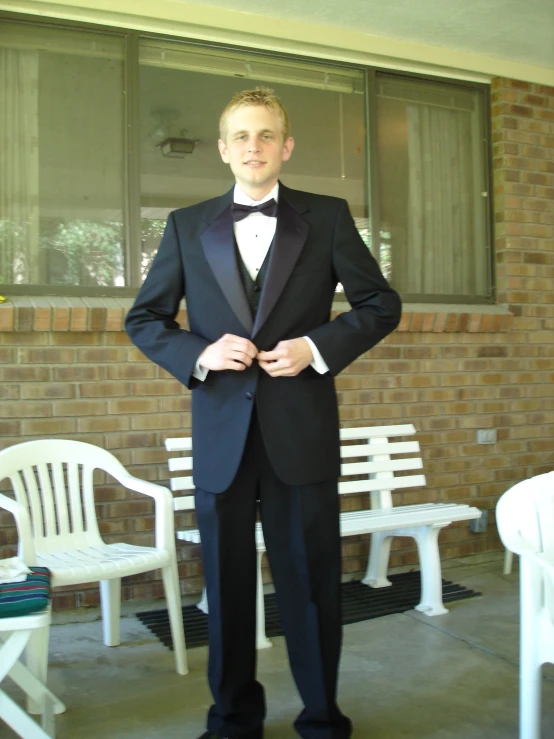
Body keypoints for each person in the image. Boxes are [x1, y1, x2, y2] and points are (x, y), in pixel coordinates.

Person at [125, 87, 401, 739]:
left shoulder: (327, 216)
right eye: (241, 136)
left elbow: (379, 304)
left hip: (300, 431)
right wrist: (200, 351)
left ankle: (322, 718)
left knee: (310, 585)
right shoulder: (185, 225)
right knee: (224, 587)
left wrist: (315, 346)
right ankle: (231, 721)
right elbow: (144, 318)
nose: (254, 146)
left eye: (266, 135)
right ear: (223, 149)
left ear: (286, 146)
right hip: (222, 432)